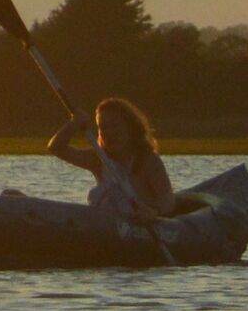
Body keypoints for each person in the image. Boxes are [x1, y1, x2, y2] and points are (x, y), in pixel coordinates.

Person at [48, 95, 178, 229]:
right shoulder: (97, 159)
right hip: (107, 228)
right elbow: (56, 148)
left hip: (141, 227)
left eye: (114, 125)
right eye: (103, 127)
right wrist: (74, 124)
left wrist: (154, 212)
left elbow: (167, 199)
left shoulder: (147, 160)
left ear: (130, 127)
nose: (109, 132)